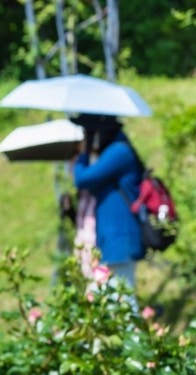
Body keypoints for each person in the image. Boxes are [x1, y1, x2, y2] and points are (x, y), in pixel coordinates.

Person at [69, 113, 146, 289]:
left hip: (120, 240)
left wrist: (83, 154)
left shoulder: (119, 151)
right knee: (108, 299)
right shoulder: (115, 149)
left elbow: (83, 179)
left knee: (122, 300)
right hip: (110, 240)